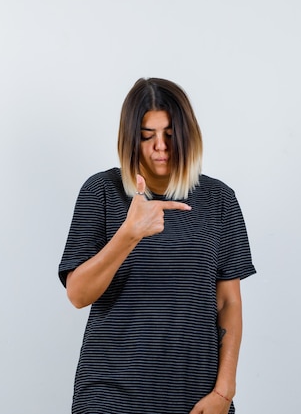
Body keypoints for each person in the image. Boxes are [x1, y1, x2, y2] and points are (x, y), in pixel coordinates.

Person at [58, 77, 256, 414]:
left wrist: (224, 392)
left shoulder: (219, 199)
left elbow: (228, 303)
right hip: (110, 396)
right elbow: (78, 294)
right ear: (130, 139)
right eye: (147, 136)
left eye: (169, 135)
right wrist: (129, 234)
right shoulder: (101, 192)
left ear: (187, 135)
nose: (160, 147)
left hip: (195, 398)